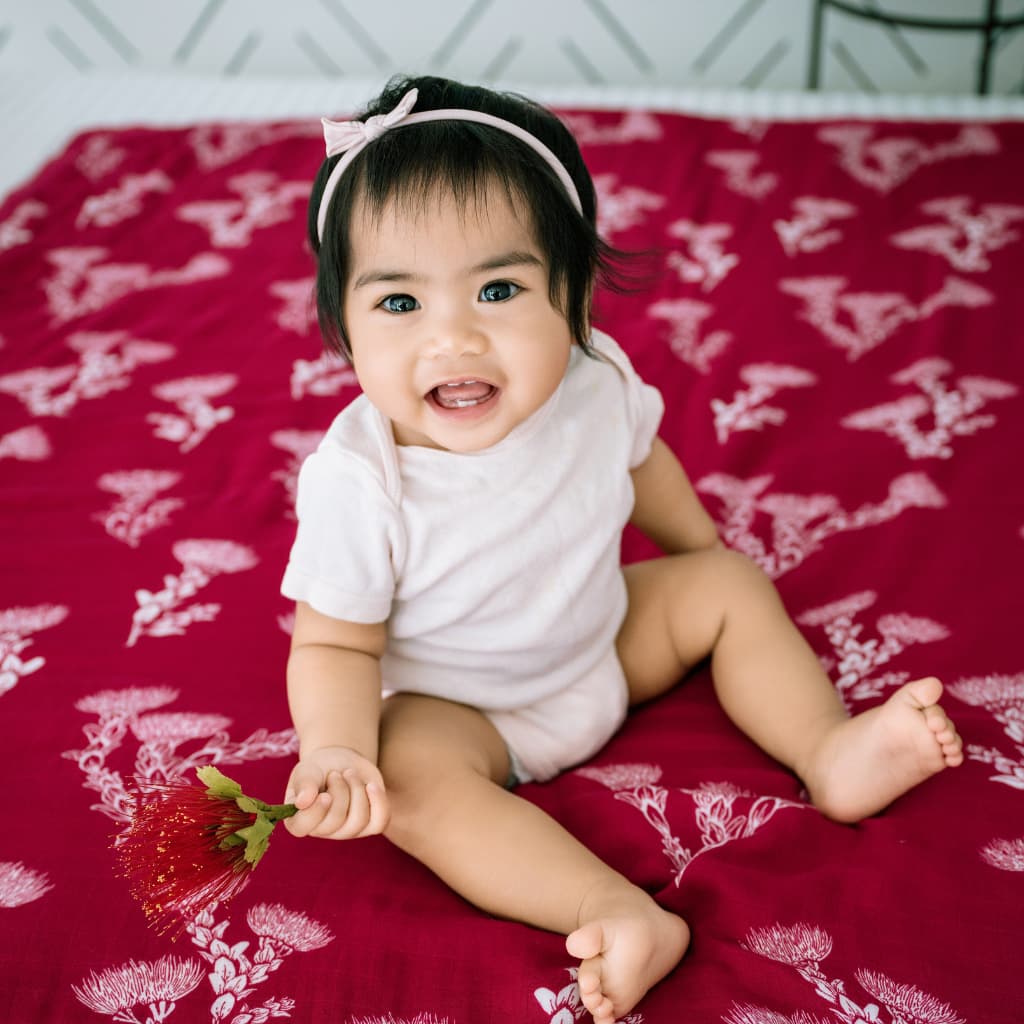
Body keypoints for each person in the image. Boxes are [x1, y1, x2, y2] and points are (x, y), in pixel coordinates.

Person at [280, 74, 963, 1023]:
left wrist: (702, 554)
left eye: (501, 288)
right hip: (464, 710)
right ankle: (614, 909)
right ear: (342, 331)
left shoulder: (595, 379)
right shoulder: (363, 482)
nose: (454, 338)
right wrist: (339, 748)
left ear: (573, 297)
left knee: (723, 582)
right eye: (400, 305)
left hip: (603, 644)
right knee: (408, 784)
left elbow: (646, 467)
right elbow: (333, 645)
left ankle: (831, 751)